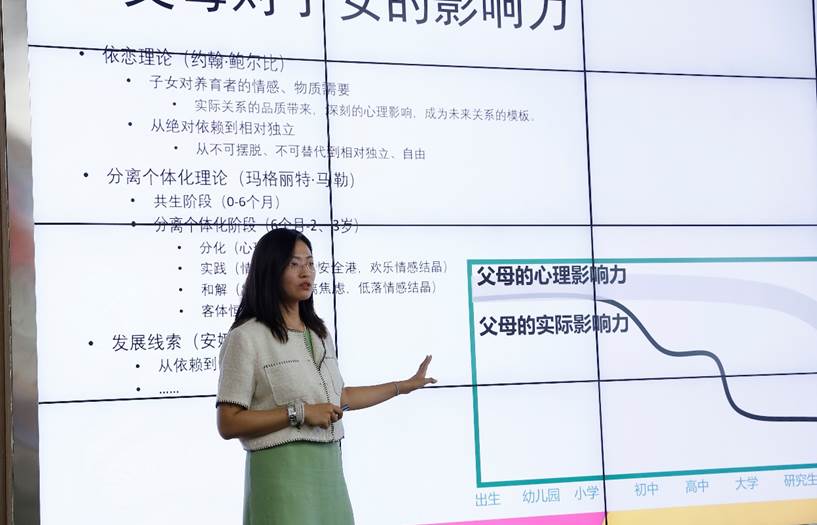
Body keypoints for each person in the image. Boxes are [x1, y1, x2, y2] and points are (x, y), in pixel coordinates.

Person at [216, 228, 436, 524]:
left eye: (310, 263)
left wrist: (403, 386)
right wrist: (299, 413)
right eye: (294, 264)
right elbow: (228, 422)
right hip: (281, 474)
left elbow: (340, 398)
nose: (305, 272)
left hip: (328, 471)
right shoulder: (246, 337)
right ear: (270, 270)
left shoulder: (318, 333)